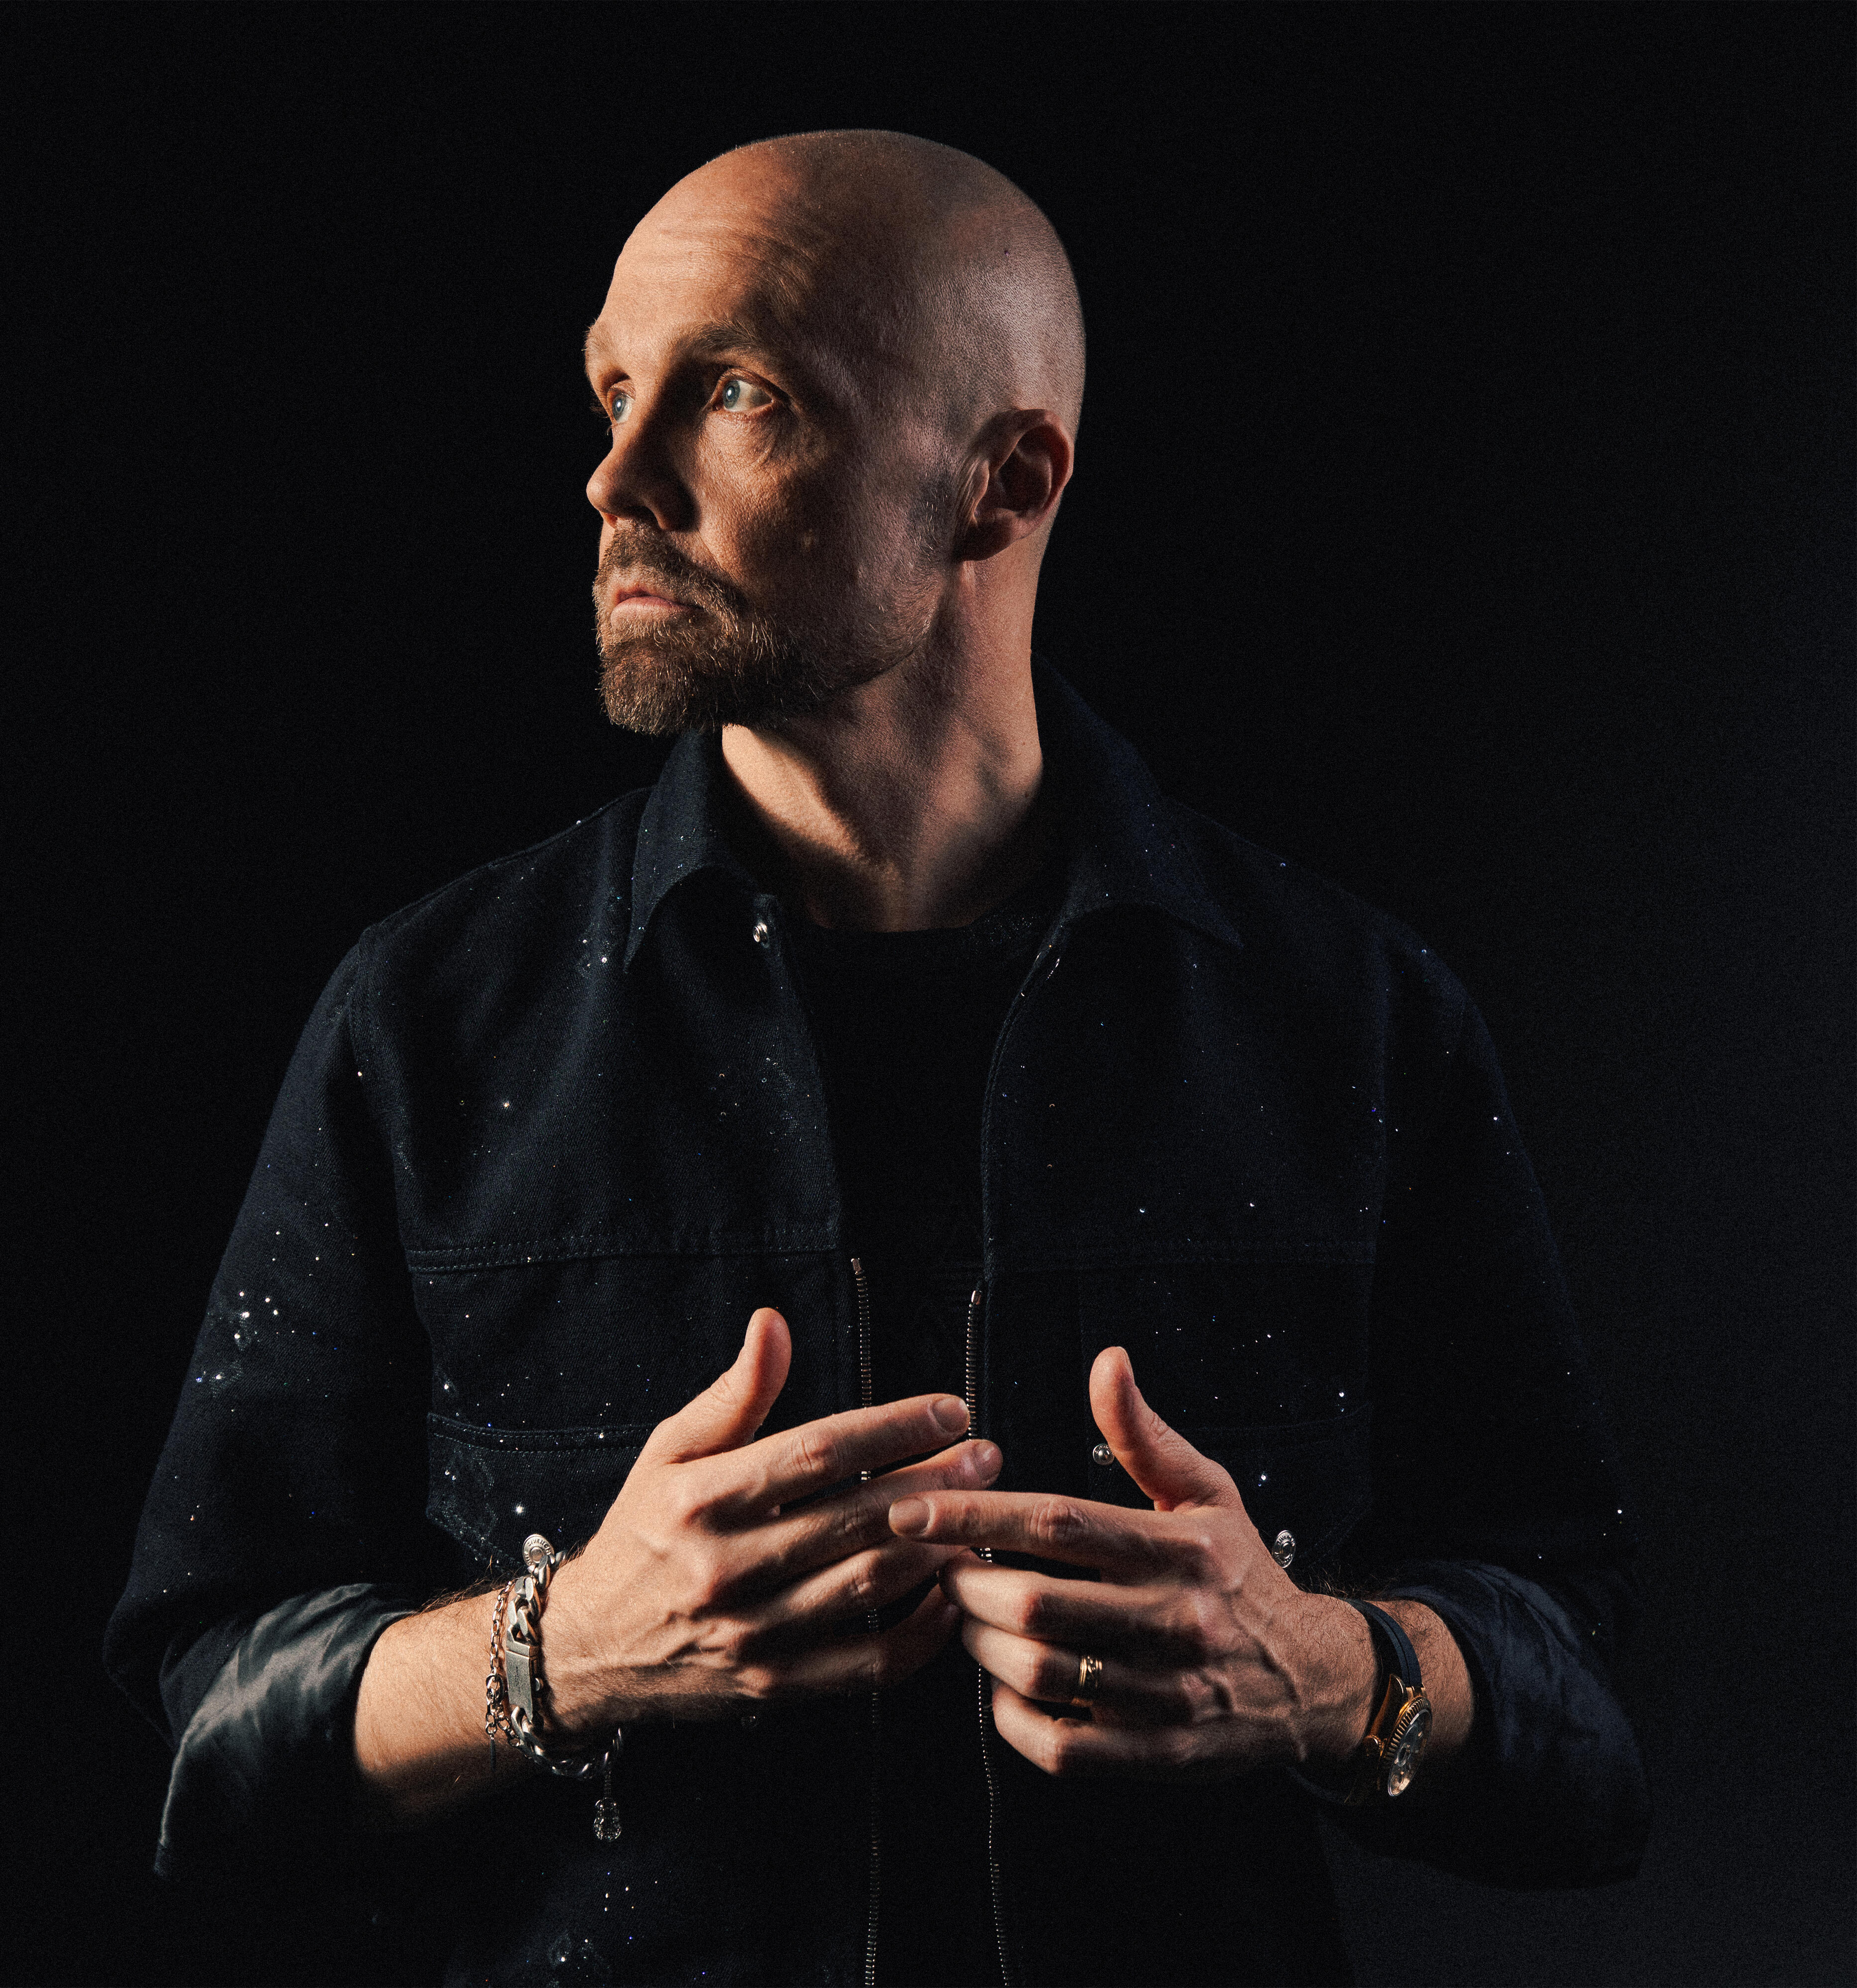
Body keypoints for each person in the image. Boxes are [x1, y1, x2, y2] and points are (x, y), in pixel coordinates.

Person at [107, 130, 1648, 1987]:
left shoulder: (1350, 1020)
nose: (617, 477)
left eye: (736, 394)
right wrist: (566, 1650)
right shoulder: (428, 1020)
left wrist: (1334, 1674)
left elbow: (1588, 1728)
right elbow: (211, 1737)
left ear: (1005, 483)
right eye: (615, 392)